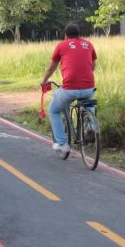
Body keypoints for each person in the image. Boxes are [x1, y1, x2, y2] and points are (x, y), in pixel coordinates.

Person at [40, 23, 97, 156]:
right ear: (80, 35)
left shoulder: (61, 45)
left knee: (53, 111)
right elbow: (93, 65)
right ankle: (91, 126)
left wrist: (44, 81)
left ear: (66, 36)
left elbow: (51, 68)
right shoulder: (88, 44)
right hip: (89, 87)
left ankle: (62, 143)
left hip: (69, 88)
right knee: (88, 101)